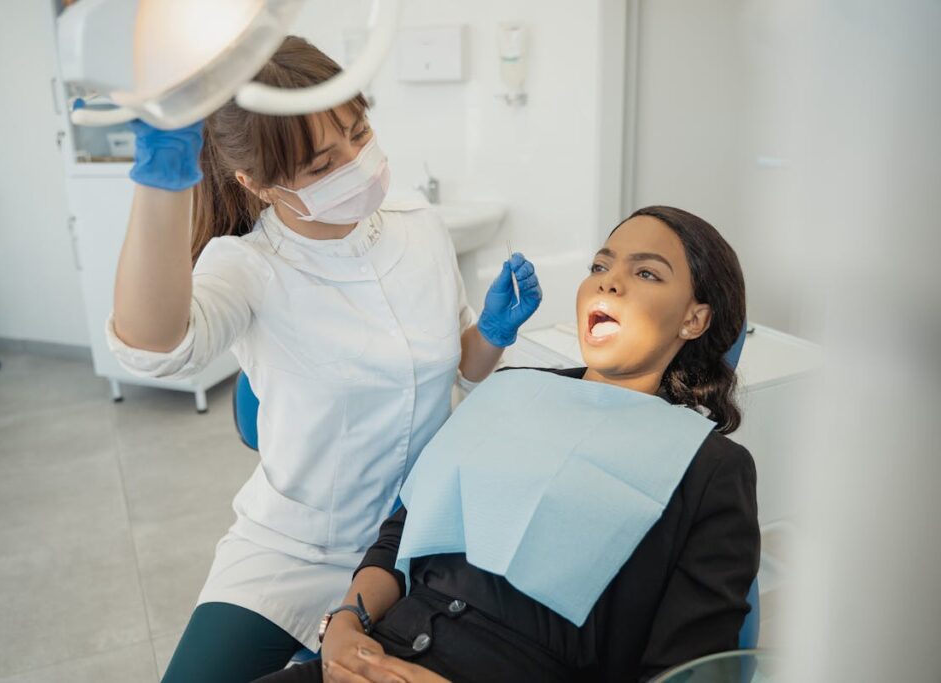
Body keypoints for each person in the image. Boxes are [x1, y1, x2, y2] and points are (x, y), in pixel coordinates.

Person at [105, 36, 542, 681]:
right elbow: (154, 346)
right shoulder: (248, 267)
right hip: (295, 547)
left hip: (412, 542)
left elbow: (464, 368)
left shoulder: (418, 224)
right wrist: (162, 182)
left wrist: (495, 332)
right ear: (256, 182)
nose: (356, 164)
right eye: (320, 166)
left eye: (359, 132)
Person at [258, 206, 759, 683]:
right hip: (375, 655)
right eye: (600, 265)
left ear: (694, 320)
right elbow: (404, 531)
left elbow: (687, 672)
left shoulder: (710, 469)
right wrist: (345, 627)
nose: (609, 280)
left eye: (647, 273)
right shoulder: (512, 390)